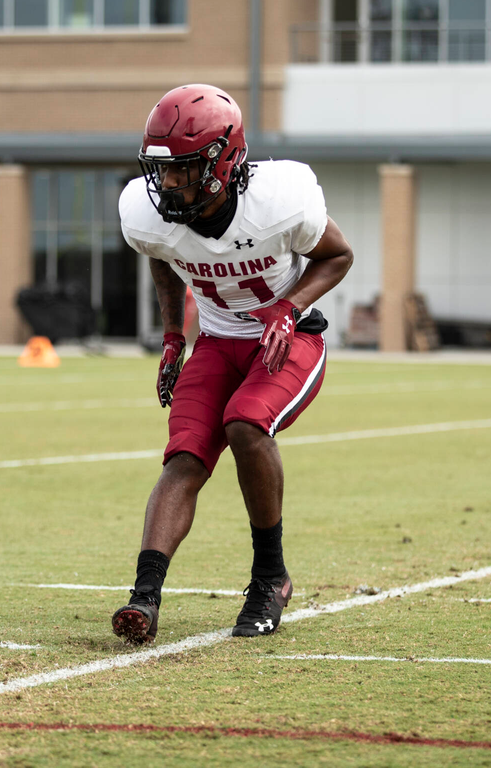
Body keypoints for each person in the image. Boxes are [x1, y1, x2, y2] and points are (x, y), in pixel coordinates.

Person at [112, 84, 354, 644]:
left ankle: (270, 578)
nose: (168, 184)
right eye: (162, 171)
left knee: (245, 423)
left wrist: (287, 307)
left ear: (223, 161)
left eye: (184, 170)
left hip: (286, 340)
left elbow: (337, 255)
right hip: (218, 342)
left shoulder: (280, 199)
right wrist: (174, 334)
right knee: (185, 455)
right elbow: (164, 259)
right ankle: (144, 597)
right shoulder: (149, 215)